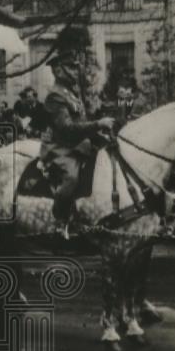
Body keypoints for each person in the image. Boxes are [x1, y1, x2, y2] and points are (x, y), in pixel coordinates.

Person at [40, 26, 115, 228]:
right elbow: (67, 128)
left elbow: (82, 123)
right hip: (60, 149)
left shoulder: (72, 94)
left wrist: (101, 136)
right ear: (57, 70)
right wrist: (98, 124)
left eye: (75, 67)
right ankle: (60, 221)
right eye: (69, 67)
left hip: (77, 146)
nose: (74, 71)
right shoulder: (55, 95)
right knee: (71, 178)